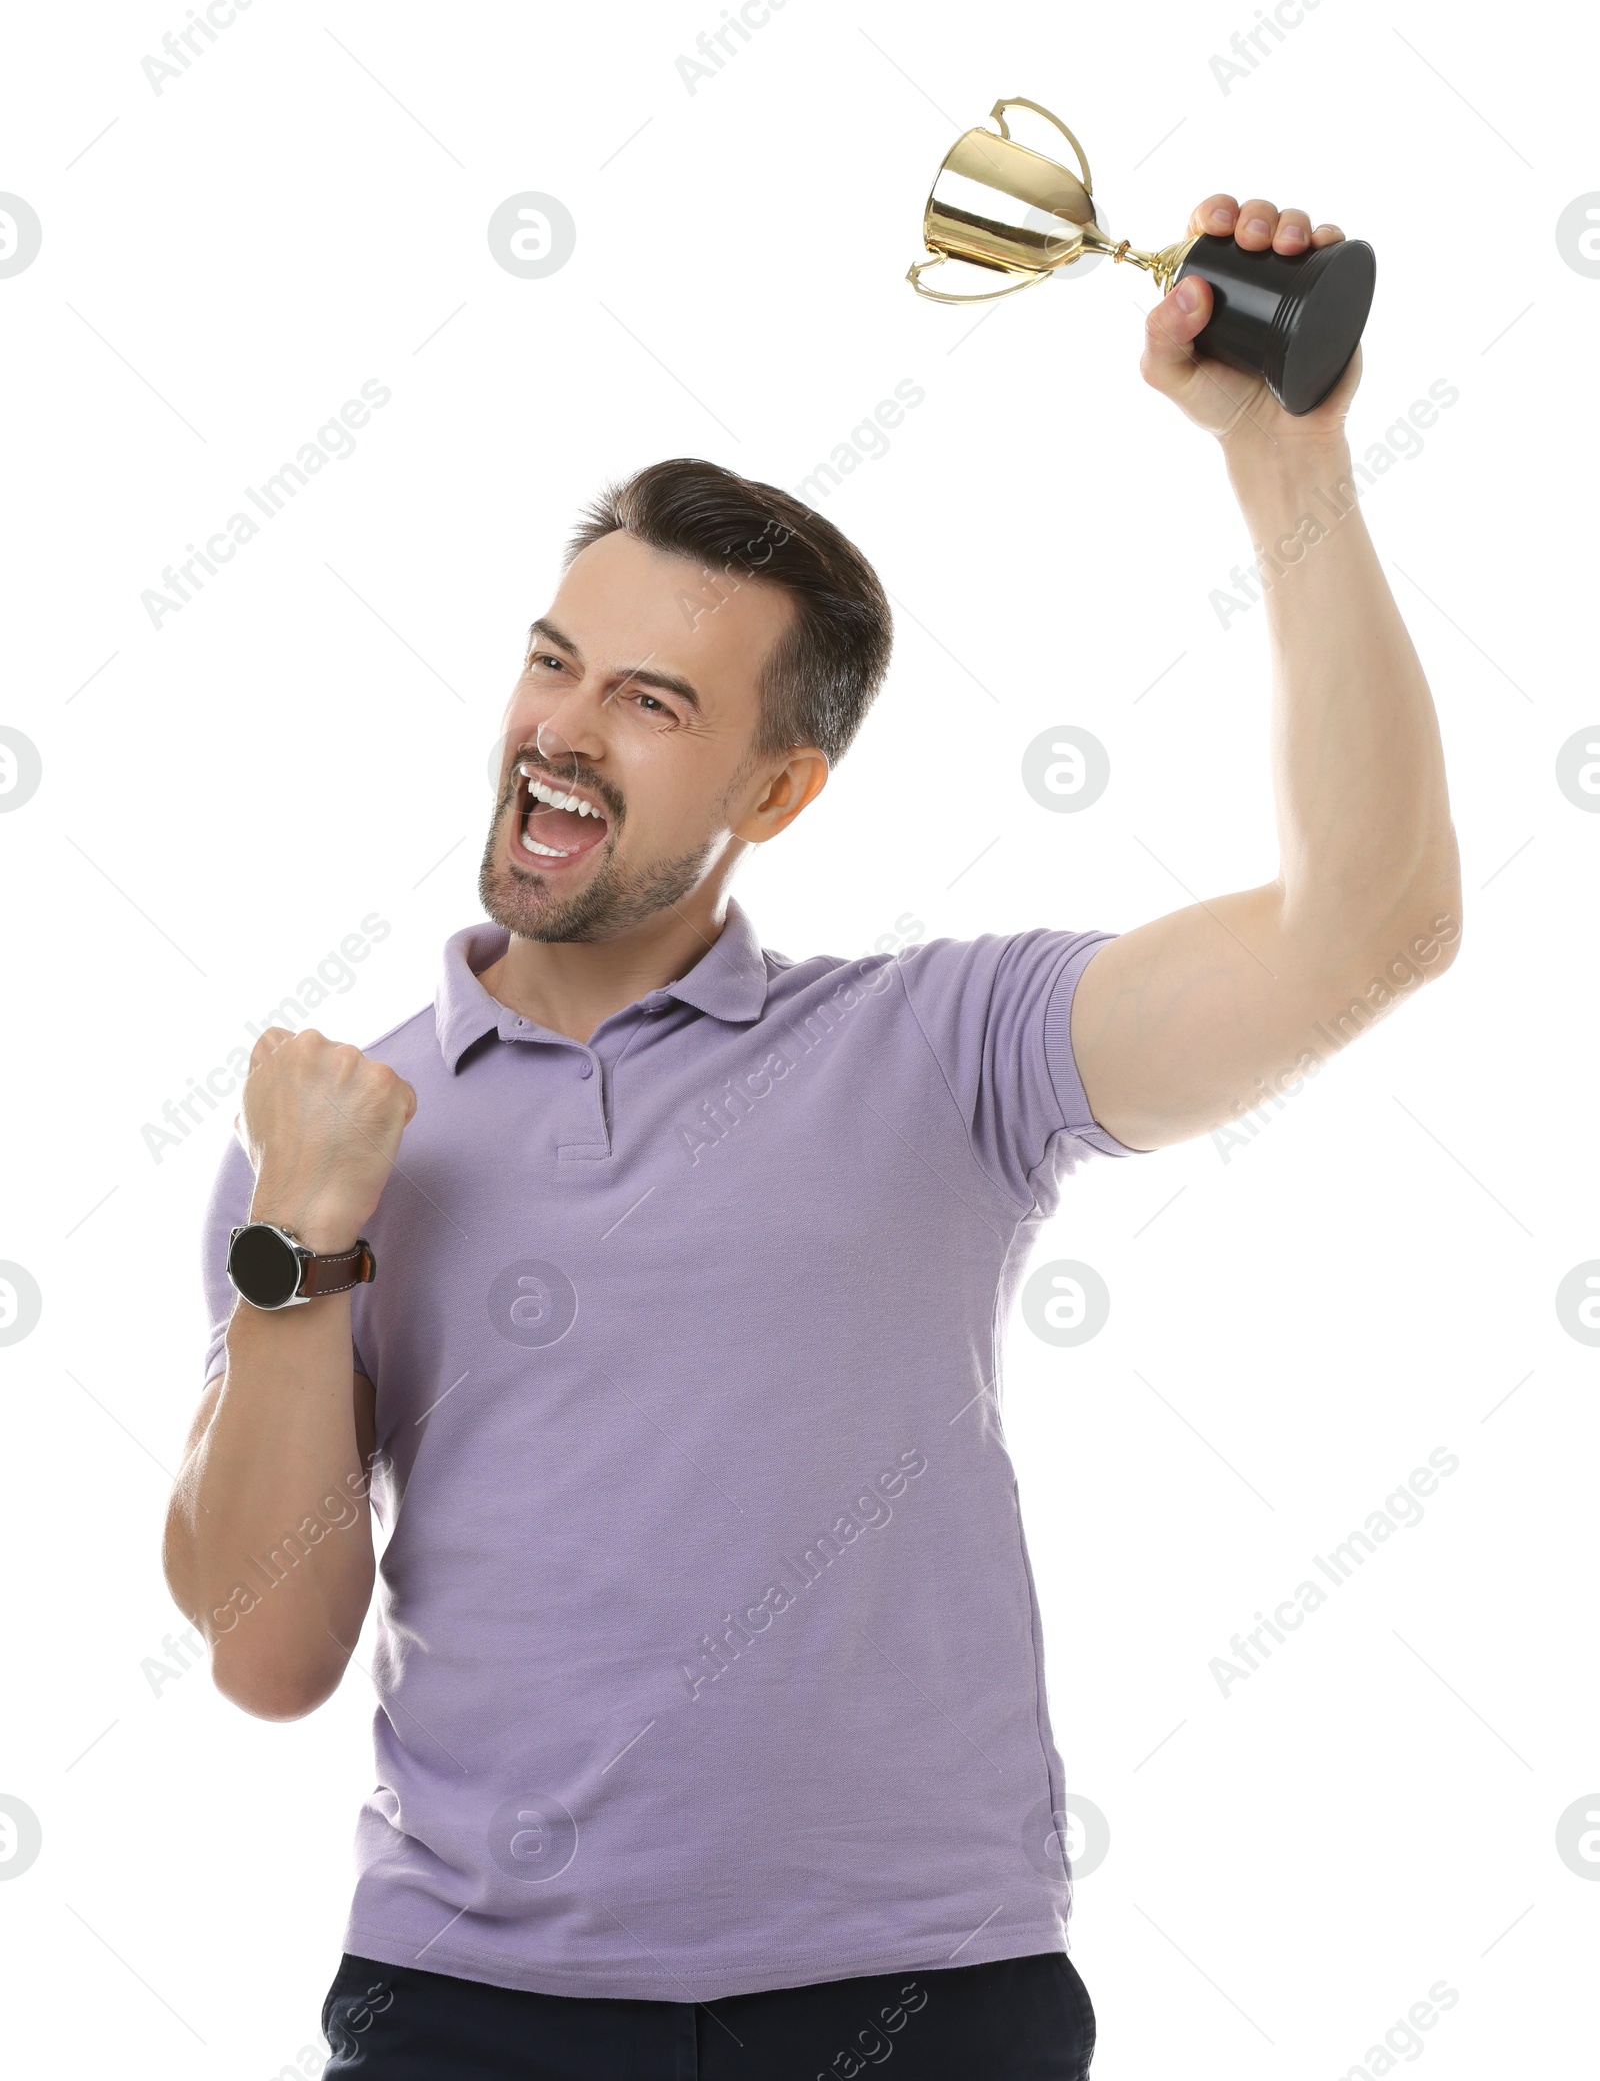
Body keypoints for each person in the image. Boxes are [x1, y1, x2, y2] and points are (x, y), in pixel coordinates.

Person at [163, 193, 1460, 2080]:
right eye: (555, 661)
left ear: (780, 787)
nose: (563, 730)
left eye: (652, 701)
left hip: (921, 2009)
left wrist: (1287, 458)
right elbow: (269, 1659)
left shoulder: (946, 1050)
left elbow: (1376, 934)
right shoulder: (330, 1131)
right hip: (476, 2016)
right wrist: (304, 1241)